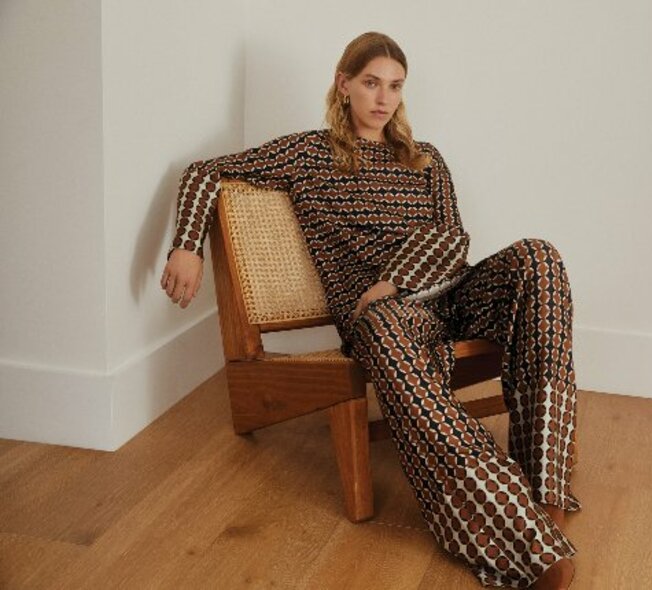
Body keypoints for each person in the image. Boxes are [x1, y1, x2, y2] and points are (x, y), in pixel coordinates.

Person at [160, 31, 580, 590]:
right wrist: (186, 245)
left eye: (395, 87)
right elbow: (206, 171)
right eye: (371, 83)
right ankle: (507, 521)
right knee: (380, 322)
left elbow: (453, 238)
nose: (384, 98)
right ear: (344, 84)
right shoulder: (310, 153)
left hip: (448, 292)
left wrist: (395, 279)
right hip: (386, 322)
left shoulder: (424, 159)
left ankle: (542, 487)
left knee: (539, 257)